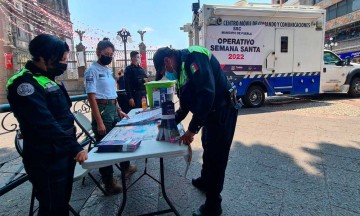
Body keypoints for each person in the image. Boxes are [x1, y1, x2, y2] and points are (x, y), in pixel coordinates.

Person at [6, 34, 88, 216]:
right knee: (52, 206)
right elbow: (44, 123)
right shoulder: (24, 83)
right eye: (61, 59)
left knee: (62, 202)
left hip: (62, 152)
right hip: (46, 156)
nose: (64, 63)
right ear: (43, 57)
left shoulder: (47, 78)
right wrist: (75, 148)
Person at [153, 46, 239, 216]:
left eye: (164, 71)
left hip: (222, 110)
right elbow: (184, 107)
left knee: (217, 156)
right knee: (207, 144)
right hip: (209, 113)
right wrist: (167, 124)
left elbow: (207, 95)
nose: (167, 75)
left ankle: (213, 205)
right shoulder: (181, 71)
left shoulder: (195, 57)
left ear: (167, 61)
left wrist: (191, 131)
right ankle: (206, 180)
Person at [84, 38, 136, 195]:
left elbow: (111, 93)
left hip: (113, 107)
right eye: (106, 53)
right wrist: (99, 122)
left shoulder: (106, 70)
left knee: (119, 138)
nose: (109, 56)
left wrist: (119, 109)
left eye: (111, 54)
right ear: (99, 53)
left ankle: (125, 167)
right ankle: (109, 182)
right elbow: (91, 97)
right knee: (105, 146)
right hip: (102, 109)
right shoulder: (91, 71)